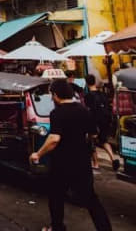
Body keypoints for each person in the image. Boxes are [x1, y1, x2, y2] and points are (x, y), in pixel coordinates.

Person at [29, 80, 112, 231]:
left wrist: (38, 153)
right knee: (91, 199)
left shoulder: (57, 113)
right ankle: (105, 228)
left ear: (55, 95)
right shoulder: (84, 110)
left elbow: (54, 139)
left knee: (56, 196)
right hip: (81, 162)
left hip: (62, 163)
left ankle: (57, 227)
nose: (52, 98)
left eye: (51, 95)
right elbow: (93, 134)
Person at [84, 75, 120, 171]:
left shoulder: (88, 96)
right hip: (105, 121)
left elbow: (89, 111)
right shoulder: (102, 94)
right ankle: (113, 158)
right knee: (104, 141)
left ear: (87, 83)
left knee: (91, 142)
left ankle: (96, 164)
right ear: (95, 82)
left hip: (94, 122)